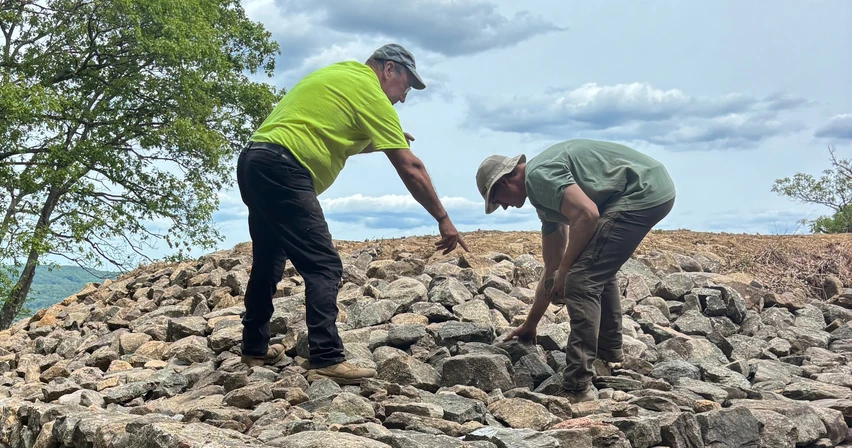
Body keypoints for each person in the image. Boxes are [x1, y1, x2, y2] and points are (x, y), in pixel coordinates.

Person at [238, 44, 467, 382]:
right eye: (405, 87)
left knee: (268, 259)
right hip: (286, 168)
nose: (403, 98)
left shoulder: (338, 74)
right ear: (389, 70)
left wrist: (379, 140)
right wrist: (444, 220)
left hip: (255, 161)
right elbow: (411, 167)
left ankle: (254, 348)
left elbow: (331, 132)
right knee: (325, 265)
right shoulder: (371, 93)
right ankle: (326, 357)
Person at [476, 139, 675, 402]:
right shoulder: (545, 203)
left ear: (505, 181)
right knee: (595, 268)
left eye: (496, 198)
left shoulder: (538, 176)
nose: (502, 206)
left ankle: (577, 387)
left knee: (582, 280)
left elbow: (587, 215)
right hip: (651, 187)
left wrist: (567, 271)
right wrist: (530, 324)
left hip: (642, 192)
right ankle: (610, 357)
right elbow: (551, 268)